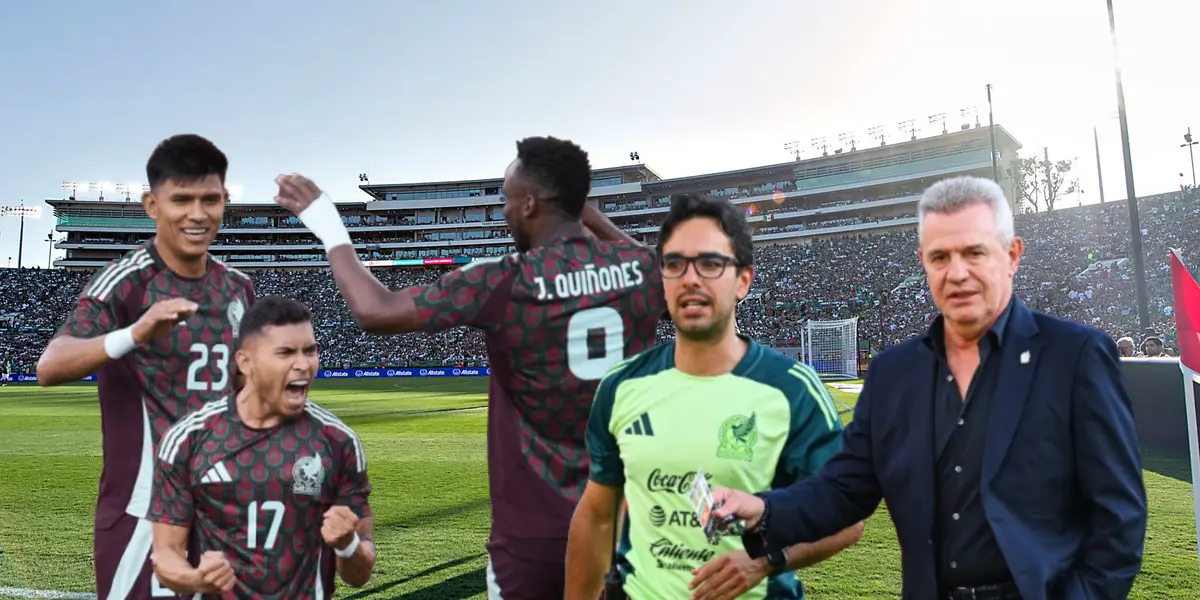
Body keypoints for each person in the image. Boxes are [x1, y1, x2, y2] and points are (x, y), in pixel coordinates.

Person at [710, 176, 1147, 600]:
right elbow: (842, 491)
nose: (956, 273)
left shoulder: (1075, 356)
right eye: (940, 257)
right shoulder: (892, 374)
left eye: (974, 252)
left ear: (1012, 255)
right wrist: (763, 509)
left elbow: (1119, 516)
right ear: (924, 261)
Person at [271, 136, 666, 599]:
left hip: (531, 539)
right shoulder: (640, 269)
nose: (504, 211)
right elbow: (671, 279)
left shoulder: (501, 279)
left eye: (508, 200)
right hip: (625, 527)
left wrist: (326, 222)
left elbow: (375, 310)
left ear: (532, 204)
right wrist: (589, 214)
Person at [565, 194, 862, 600]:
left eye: (709, 263)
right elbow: (598, 515)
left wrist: (764, 561)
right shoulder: (622, 385)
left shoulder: (791, 389)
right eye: (674, 264)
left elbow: (847, 519)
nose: (690, 278)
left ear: (743, 280)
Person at [37, 134, 256, 600]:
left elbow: (243, 394)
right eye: (181, 200)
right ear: (152, 205)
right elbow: (50, 366)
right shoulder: (125, 283)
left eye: (210, 200)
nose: (197, 214)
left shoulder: (238, 290)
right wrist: (133, 335)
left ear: (224, 201)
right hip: (143, 515)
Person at [148, 296, 375, 598]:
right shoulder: (189, 440)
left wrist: (347, 544)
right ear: (246, 362)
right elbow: (165, 555)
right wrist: (195, 580)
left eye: (310, 351)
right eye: (285, 352)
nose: (303, 364)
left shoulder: (338, 442)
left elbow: (360, 574)